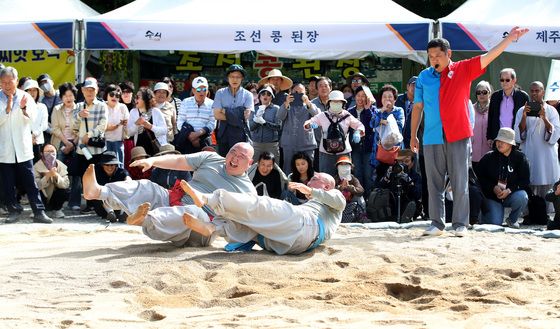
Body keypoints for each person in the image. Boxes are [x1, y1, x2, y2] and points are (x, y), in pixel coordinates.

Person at [410, 27, 529, 237]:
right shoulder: (423, 76)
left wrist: (509, 39)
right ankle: (437, 223)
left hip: (458, 133)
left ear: (449, 54)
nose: (434, 59)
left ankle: (460, 223)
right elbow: (418, 107)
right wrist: (412, 135)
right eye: (430, 56)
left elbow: (488, 56)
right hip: (431, 135)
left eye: (438, 55)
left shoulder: (463, 69)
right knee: (434, 182)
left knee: (459, 180)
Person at [82, 142, 257, 247]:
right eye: (233, 151)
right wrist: (152, 161)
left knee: (193, 212)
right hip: (174, 199)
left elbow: (248, 223)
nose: (235, 157)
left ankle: (144, 220)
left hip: (201, 226)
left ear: (249, 164)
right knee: (147, 187)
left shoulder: (248, 191)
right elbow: (179, 160)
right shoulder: (210, 158)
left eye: (241, 156)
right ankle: (98, 191)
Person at [178, 172, 345, 255]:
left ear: (327, 186)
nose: (310, 181)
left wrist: (311, 191)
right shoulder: (319, 204)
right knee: (250, 222)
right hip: (288, 245)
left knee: (259, 204)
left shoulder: (334, 196)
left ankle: (207, 199)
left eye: (315, 179)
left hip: (307, 225)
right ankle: (213, 227)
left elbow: (339, 202)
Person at [0, 67, 52, 223]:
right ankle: (13, 210)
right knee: (7, 183)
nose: (7, 85)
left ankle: (38, 211)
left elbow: (33, 121)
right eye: (3, 82)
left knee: (30, 181)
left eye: (10, 82)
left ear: (17, 81)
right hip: (5, 147)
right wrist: (7, 109)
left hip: (23, 147)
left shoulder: (25, 97)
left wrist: (23, 109)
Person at [514, 81, 560, 207]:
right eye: (532, 91)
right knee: (529, 182)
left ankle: (547, 213)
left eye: (537, 91)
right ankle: (530, 213)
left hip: (546, 154)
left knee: (548, 182)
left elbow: (555, 135)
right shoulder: (521, 110)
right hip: (528, 151)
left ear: (543, 92)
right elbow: (519, 136)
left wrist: (544, 118)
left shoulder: (552, 111)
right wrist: (524, 116)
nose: (534, 93)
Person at [477, 128, 529, 228]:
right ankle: (483, 214)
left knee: (522, 196)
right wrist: (493, 187)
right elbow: (479, 178)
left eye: (503, 142)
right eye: (498, 141)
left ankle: (512, 220)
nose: (499, 144)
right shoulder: (488, 157)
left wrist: (510, 190)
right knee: (495, 224)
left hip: (511, 194)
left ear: (511, 144)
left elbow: (525, 181)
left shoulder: (521, 158)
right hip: (491, 196)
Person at [304, 90, 364, 177]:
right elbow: (308, 122)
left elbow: (360, 125)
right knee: (326, 177)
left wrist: (358, 132)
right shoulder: (322, 115)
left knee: (345, 176)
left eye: (339, 102)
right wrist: (309, 125)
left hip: (344, 151)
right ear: (329, 103)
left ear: (343, 103)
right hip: (325, 152)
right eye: (334, 102)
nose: (336, 103)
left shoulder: (347, 116)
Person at [212, 64, 254, 157]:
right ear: (228, 78)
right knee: (223, 160)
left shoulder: (248, 95)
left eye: (238, 77)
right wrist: (238, 113)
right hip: (224, 132)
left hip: (241, 133)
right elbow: (217, 115)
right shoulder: (220, 93)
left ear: (242, 78)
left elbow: (246, 116)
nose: (235, 79)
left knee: (240, 160)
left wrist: (225, 111)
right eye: (232, 77)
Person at [51, 82, 81, 211]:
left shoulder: (80, 108)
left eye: (70, 95)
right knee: (58, 172)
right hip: (60, 142)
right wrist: (66, 142)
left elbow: (82, 128)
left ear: (74, 96)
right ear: (61, 97)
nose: (68, 98)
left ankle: (74, 201)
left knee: (76, 173)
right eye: (65, 95)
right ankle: (57, 202)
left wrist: (73, 143)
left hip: (77, 143)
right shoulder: (57, 109)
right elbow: (55, 128)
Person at [278, 83, 318, 175]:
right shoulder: (287, 105)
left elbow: (317, 116)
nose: (298, 94)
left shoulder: (310, 105)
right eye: (295, 92)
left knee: (308, 170)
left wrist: (308, 102)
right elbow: (280, 117)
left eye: (301, 92)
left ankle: (308, 188)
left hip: (307, 144)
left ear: (305, 93)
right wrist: (286, 103)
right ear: (290, 92)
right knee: (288, 169)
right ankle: (288, 189)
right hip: (289, 144)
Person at [371, 84, 405, 184]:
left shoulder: (399, 110)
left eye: (390, 97)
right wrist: (382, 111)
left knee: (397, 179)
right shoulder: (377, 111)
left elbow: (400, 126)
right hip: (380, 151)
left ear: (395, 99)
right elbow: (372, 124)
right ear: (381, 99)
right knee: (380, 179)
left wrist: (385, 121)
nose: (387, 99)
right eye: (384, 97)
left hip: (396, 150)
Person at [377, 149, 421, 223]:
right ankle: (387, 215)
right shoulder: (392, 171)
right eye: (400, 161)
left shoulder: (415, 176)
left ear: (412, 163)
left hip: (407, 202)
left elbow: (418, 195)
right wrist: (387, 177)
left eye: (406, 161)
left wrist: (409, 180)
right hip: (392, 203)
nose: (403, 164)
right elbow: (379, 187)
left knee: (412, 203)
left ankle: (406, 216)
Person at [486, 68, 529, 143]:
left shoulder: (523, 96)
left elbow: (528, 119)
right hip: (498, 139)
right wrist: (489, 137)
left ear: (514, 80)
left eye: (507, 80)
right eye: (502, 80)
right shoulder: (495, 96)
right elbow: (490, 117)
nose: (504, 82)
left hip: (516, 139)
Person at [176, 76, 215, 154]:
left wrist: (198, 134)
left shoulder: (212, 104)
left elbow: (212, 123)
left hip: (204, 138)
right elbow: (180, 122)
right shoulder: (185, 102)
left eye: (204, 89)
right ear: (193, 90)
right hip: (186, 137)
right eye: (198, 89)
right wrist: (191, 136)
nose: (202, 92)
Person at [348, 86, 375, 196]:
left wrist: (368, 110)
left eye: (363, 96)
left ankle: (369, 199)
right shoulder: (349, 111)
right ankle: (359, 199)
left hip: (368, 147)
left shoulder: (372, 110)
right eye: (358, 95)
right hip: (354, 148)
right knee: (357, 173)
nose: (360, 98)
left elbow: (371, 127)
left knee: (368, 174)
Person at [90, 151, 130, 222]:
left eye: (112, 165)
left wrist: (127, 181)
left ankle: (125, 213)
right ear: (102, 165)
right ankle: (110, 213)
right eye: (107, 165)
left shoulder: (122, 173)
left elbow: (129, 181)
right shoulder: (96, 173)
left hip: (118, 203)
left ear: (116, 165)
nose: (110, 167)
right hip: (102, 205)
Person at [127, 87, 168, 156]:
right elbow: (129, 133)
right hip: (140, 148)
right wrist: (136, 124)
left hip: (155, 148)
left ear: (145, 99)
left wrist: (150, 126)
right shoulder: (133, 112)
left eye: (138, 97)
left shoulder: (156, 111)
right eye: (135, 97)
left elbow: (164, 130)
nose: (135, 99)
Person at [33, 143, 70, 219]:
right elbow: (36, 185)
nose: (50, 154)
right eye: (47, 151)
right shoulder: (36, 166)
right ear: (41, 153)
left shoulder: (61, 165)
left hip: (54, 195)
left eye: (52, 151)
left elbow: (66, 184)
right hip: (43, 196)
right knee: (35, 191)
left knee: (65, 191)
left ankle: (57, 210)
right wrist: (47, 176)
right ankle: (38, 211)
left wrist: (56, 175)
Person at [249, 85, 281, 163]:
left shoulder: (276, 109)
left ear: (272, 97)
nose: (265, 96)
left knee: (274, 168)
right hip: (256, 144)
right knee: (254, 167)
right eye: (263, 94)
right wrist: (257, 121)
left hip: (271, 144)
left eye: (268, 94)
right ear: (259, 96)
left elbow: (278, 127)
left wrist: (264, 123)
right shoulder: (254, 108)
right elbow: (251, 127)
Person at [23, 79, 49, 162]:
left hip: (38, 142)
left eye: (34, 90)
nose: (32, 92)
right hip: (23, 142)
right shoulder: (20, 107)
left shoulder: (42, 107)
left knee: (38, 168)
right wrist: (28, 136)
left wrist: (33, 135)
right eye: (29, 90)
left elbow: (44, 125)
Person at [103, 84, 129, 168]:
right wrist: (117, 125)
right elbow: (102, 126)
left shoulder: (123, 107)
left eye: (117, 95)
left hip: (118, 143)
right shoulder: (102, 106)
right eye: (111, 94)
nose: (114, 97)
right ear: (106, 95)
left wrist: (125, 123)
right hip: (104, 143)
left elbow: (128, 124)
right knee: (105, 169)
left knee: (119, 169)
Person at [333, 156, 365, 223]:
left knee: (360, 197)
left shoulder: (353, 179)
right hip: (338, 205)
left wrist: (349, 187)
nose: (343, 167)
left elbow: (361, 191)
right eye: (341, 164)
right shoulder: (335, 179)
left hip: (351, 204)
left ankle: (362, 216)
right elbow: (330, 191)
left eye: (346, 165)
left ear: (350, 167)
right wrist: (340, 188)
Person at [310, 76, 333, 170]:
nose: (323, 88)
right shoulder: (311, 104)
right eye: (320, 86)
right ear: (317, 89)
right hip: (317, 146)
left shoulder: (338, 102)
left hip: (335, 144)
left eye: (326, 86)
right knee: (319, 172)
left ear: (330, 88)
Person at [471, 81, 493, 172]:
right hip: (473, 153)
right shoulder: (471, 109)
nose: (481, 95)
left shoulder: (494, 109)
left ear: (489, 93)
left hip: (489, 151)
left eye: (484, 92)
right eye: (478, 92)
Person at [395, 76, 417, 149]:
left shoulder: (422, 103)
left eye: (418, 86)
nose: (416, 88)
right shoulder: (397, 100)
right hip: (397, 139)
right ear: (408, 86)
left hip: (413, 140)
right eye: (413, 85)